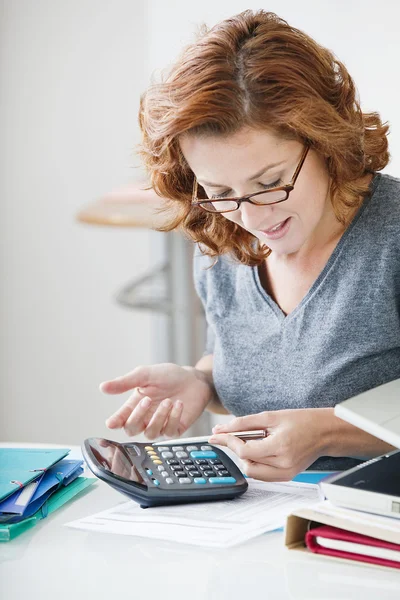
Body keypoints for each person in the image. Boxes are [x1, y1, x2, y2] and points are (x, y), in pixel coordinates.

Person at [100, 10, 398, 481]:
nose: (253, 217)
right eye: (220, 192)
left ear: (325, 141)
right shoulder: (223, 242)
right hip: (255, 521)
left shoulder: (391, 238)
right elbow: (247, 360)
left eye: (270, 181)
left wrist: (329, 432)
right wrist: (201, 381)